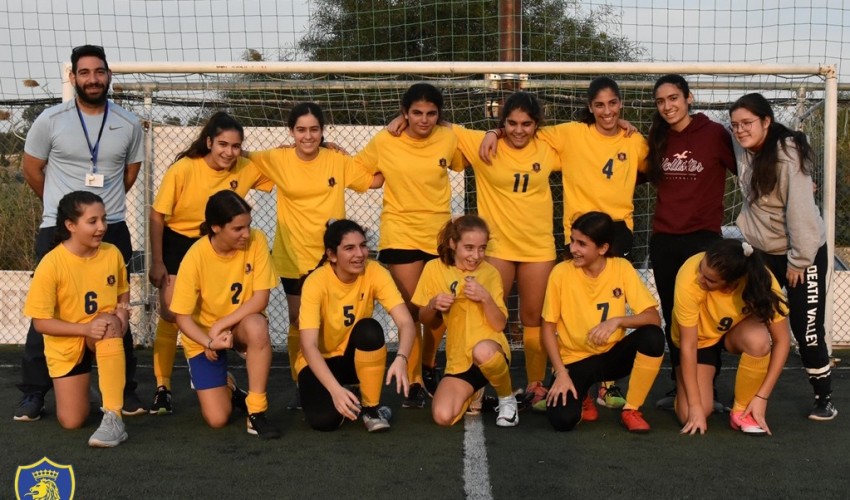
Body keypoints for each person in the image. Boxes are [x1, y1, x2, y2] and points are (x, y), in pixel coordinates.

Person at [480, 77, 646, 412]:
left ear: (621, 104)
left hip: (617, 231)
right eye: (599, 104)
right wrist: (493, 131)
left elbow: (646, 168)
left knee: (612, 305)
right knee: (574, 307)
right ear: (589, 107)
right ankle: (544, 383)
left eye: (612, 103)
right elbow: (528, 133)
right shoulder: (569, 134)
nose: (607, 110)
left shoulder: (635, 139)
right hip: (581, 230)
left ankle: (608, 384)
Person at [18, 44, 146, 421]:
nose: (93, 79)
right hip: (59, 232)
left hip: (113, 228)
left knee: (117, 310)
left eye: (99, 72)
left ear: (109, 76)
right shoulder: (50, 120)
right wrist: (65, 217)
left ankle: (124, 391)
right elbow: (31, 169)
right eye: (85, 72)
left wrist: (101, 215)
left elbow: (129, 175)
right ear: (73, 77)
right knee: (45, 311)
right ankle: (33, 394)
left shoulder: (128, 123)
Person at [247, 102, 379, 410]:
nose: (308, 136)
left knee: (337, 321)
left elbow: (375, 179)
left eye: (314, 130)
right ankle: (301, 381)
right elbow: (237, 158)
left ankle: (348, 376)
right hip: (293, 256)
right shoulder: (276, 159)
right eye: (301, 130)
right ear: (291, 132)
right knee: (299, 322)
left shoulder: (336, 160)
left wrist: (353, 154)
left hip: (332, 258)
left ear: (323, 131)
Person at [148, 112, 273, 415]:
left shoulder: (246, 166)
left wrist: (322, 148)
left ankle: (223, 376)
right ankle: (163, 386)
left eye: (236, 146)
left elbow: (286, 167)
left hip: (223, 241)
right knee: (171, 313)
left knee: (217, 309)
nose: (229, 152)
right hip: (182, 242)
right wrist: (158, 260)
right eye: (222, 144)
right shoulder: (183, 169)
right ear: (208, 142)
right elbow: (158, 215)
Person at [445, 92, 559, 406]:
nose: (519, 130)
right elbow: (441, 125)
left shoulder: (549, 145)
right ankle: (484, 384)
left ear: (537, 124)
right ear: (502, 121)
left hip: (537, 246)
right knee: (488, 314)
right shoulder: (483, 143)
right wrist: (492, 133)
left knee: (533, 317)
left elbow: (587, 136)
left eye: (526, 123)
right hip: (497, 246)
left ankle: (536, 384)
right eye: (511, 123)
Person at [357, 83, 465, 408]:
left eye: (431, 113)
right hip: (400, 232)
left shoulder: (449, 137)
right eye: (416, 112)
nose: (424, 119)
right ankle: (415, 381)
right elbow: (361, 171)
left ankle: (429, 365)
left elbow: (467, 159)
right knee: (414, 310)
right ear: (404, 113)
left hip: (439, 235)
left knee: (440, 306)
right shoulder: (385, 140)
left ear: (439, 115)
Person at [729, 93, 836, 420]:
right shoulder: (742, 145)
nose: (740, 130)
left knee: (807, 327)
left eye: (747, 123)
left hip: (801, 255)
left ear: (766, 121)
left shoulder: (787, 153)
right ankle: (752, 394)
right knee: (762, 321)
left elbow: (801, 211)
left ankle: (824, 398)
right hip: (764, 254)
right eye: (735, 125)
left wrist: (799, 261)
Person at [645, 74, 737, 410]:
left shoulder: (714, 134)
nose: (667, 106)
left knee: (704, 315)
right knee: (674, 315)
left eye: (673, 98)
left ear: (688, 98)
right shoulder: (657, 137)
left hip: (702, 239)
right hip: (665, 239)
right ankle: (679, 384)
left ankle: (708, 387)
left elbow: (749, 165)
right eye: (661, 101)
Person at [170, 190, 281, 439]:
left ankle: (257, 412)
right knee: (218, 419)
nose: (246, 233)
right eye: (238, 228)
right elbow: (182, 318)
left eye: (248, 226)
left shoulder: (257, 241)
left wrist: (220, 326)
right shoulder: (195, 257)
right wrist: (208, 341)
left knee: (257, 326)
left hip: (236, 325)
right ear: (216, 227)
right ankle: (229, 386)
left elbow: (260, 299)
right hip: (203, 336)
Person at [23, 191, 131, 447]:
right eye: (92, 221)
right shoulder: (51, 264)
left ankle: (114, 416)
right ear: (71, 225)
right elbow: (41, 323)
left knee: (108, 324)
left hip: (102, 332)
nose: (102, 227)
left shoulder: (112, 253)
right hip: (68, 341)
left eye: (104, 219)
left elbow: (122, 290)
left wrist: (123, 312)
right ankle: (90, 391)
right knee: (72, 421)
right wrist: (85, 328)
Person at [541, 211, 665, 433]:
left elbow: (653, 318)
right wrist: (560, 372)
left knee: (653, 336)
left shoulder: (621, 267)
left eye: (581, 244)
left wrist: (617, 321)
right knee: (562, 421)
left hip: (611, 356)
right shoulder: (560, 273)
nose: (572, 249)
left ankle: (631, 409)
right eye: (572, 240)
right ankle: (583, 397)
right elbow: (547, 329)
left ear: (602, 248)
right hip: (575, 360)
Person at [296, 219, 416, 432]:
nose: (360, 254)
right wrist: (334, 390)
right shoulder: (316, 282)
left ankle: (371, 408)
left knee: (369, 329)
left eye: (363, 245)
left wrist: (402, 357)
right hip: (320, 361)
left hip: (352, 358)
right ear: (332, 255)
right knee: (324, 421)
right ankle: (346, 392)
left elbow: (406, 322)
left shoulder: (375, 271)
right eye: (349, 248)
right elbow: (308, 346)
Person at [672, 239, 790, 435]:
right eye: (701, 269)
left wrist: (762, 398)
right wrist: (694, 406)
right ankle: (681, 384)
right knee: (689, 414)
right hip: (699, 340)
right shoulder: (689, 277)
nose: (700, 278)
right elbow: (688, 345)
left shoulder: (761, 281)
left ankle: (741, 410)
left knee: (759, 341)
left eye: (709, 280)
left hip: (733, 332)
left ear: (730, 286)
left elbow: (782, 341)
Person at [412, 215, 519, 427]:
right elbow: (424, 319)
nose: (476, 255)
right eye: (469, 247)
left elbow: (499, 325)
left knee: (483, 351)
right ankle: (474, 394)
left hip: (491, 349)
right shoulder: (433, 269)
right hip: (459, 358)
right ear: (453, 244)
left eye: (482, 248)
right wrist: (433, 304)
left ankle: (507, 399)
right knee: (443, 417)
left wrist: (485, 297)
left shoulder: (490, 273)